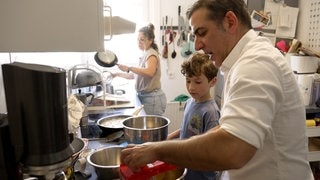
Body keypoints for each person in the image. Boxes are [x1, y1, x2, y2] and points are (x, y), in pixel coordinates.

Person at [120, 0, 314, 179]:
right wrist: (161, 145)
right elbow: (226, 129)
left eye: (202, 32)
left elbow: (233, 149)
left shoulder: (256, 63)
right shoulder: (240, 62)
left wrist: (157, 151)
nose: (197, 45)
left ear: (230, 22)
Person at [167, 52, 221, 180]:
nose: (191, 87)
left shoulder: (210, 112)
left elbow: (212, 150)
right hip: (187, 167)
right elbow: (187, 128)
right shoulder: (189, 102)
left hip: (202, 174)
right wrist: (168, 137)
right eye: (188, 81)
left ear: (212, 82)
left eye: (197, 82)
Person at [114, 23, 167, 115]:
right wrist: (117, 74)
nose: (139, 42)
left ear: (150, 40)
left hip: (152, 99)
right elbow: (134, 76)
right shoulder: (144, 54)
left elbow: (150, 72)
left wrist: (129, 67)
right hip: (146, 97)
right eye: (138, 39)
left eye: (142, 40)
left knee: (152, 129)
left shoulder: (151, 54)